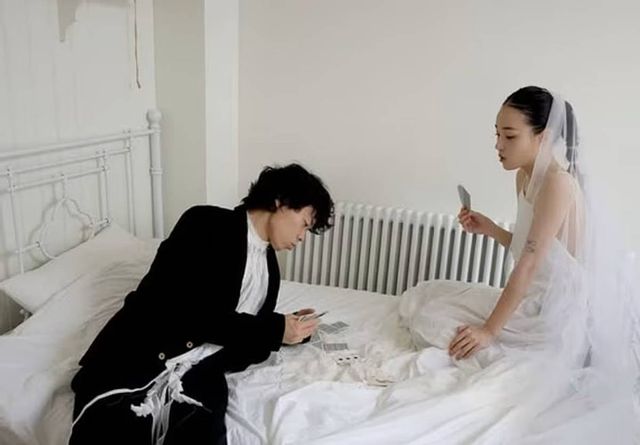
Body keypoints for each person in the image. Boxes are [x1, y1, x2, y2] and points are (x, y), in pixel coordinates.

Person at [69, 163, 334, 445]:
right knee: (113, 427)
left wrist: (289, 330)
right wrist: (274, 329)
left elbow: (243, 336)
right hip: (140, 353)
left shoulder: (269, 268)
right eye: (304, 224)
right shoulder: (205, 223)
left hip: (201, 373)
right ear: (280, 201)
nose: (302, 237)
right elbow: (191, 312)